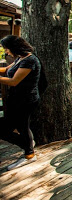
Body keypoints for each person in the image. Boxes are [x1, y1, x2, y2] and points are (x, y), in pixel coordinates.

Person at [0, 36, 42, 170]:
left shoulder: (30, 61)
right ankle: (28, 146)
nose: (6, 52)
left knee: (19, 127)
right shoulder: (20, 59)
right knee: (22, 127)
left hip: (26, 100)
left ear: (14, 47)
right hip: (17, 100)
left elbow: (13, 81)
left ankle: (29, 152)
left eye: (6, 49)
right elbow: (7, 70)